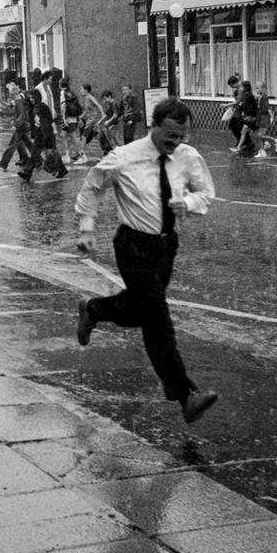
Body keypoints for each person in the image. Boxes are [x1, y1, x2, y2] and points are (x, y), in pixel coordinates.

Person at [74, 97, 219, 423]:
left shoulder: (188, 156)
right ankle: (186, 395)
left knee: (140, 311)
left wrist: (189, 203)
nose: (175, 142)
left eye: (181, 136)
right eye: (169, 136)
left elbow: (206, 193)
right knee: (157, 318)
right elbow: (93, 186)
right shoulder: (125, 157)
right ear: (153, 126)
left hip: (166, 246)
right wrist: (87, 228)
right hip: (133, 245)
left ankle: (93, 309)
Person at [18, 88, 67, 182]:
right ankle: (27, 173)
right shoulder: (31, 109)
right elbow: (32, 124)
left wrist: (55, 131)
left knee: (53, 153)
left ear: (37, 97)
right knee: (34, 154)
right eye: (30, 98)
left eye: (33, 97)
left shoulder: (43, 106)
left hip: (47, 133)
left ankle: (62, 170)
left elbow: (50, 119)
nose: (31, 99)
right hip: (39, 134)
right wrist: (32, 135)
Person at [0, 81, 33, 171]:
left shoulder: (18, 100)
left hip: (21, 127)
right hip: (23, 126)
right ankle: (38, 159)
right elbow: (13, 110)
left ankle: (4, 162)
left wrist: (16, 124)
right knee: (29, 144)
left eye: (10, 93)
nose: (9, 95)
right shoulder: (17, 100)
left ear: (13, 93)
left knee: (12, 145)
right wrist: (2, 102)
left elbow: (22, 115)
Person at [60, 77, 84, 164]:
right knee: (63, 135)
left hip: (67, 118)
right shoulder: (71, 92)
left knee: (74, 137)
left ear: (60, 85)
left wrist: (64, 119)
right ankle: (67, 155)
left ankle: (81, 156)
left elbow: (63, 106)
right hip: (73, 117)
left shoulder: (63, 93)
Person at [78, 83, 106, 158]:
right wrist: (80, 117)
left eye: (81, 89)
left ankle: (82, 156)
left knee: (84, 137)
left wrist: (103, 114)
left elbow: (98, 105)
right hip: (90, 119)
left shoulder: (90, 97)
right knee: (97, 136)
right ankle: (107, 149)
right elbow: (87, 110)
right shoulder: (86, 98)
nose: (80, 91)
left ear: (86, 90)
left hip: (92, 120)